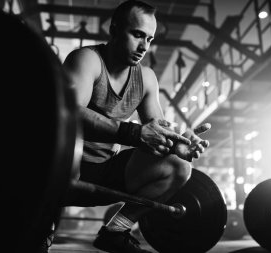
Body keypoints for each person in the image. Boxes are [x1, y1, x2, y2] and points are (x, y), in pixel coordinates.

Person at [62, 1, 210, 252]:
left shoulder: (147, 78)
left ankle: (115, 231)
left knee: (179, 166)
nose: (144, 46)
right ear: (115, 29)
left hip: (106, 171)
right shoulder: (87, 60)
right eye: (138, 35)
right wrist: (133, 133)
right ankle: (42, 228)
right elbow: (70, 112)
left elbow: (157, 128)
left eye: (150, 39)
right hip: (65, 171)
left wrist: (178, 144)